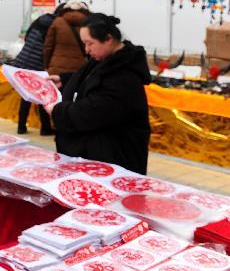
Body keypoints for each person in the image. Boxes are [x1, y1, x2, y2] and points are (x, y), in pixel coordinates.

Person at [42, 14, 152, 174]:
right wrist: (64, 80)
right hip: (101, 154)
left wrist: (58, 111)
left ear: (108, 39)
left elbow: (93, 110)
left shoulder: (125, 75)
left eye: (89, 43)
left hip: (117, 159)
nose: (86, 50)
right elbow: (90, 77)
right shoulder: (107, 59)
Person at [13, 7, 60, 135]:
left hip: (23, 60)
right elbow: (49, 47)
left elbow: (27, 36)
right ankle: (45, 128)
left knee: (26, 96)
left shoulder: (40, 20)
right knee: (42, 94)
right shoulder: (55, 25)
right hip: (36, 62)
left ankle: (21, 126)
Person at [43, 1, 89, 77]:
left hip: (56, 67)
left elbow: (48, 47)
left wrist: (46, 65)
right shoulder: (88, 24)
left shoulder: (57, 22)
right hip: (79, 69)